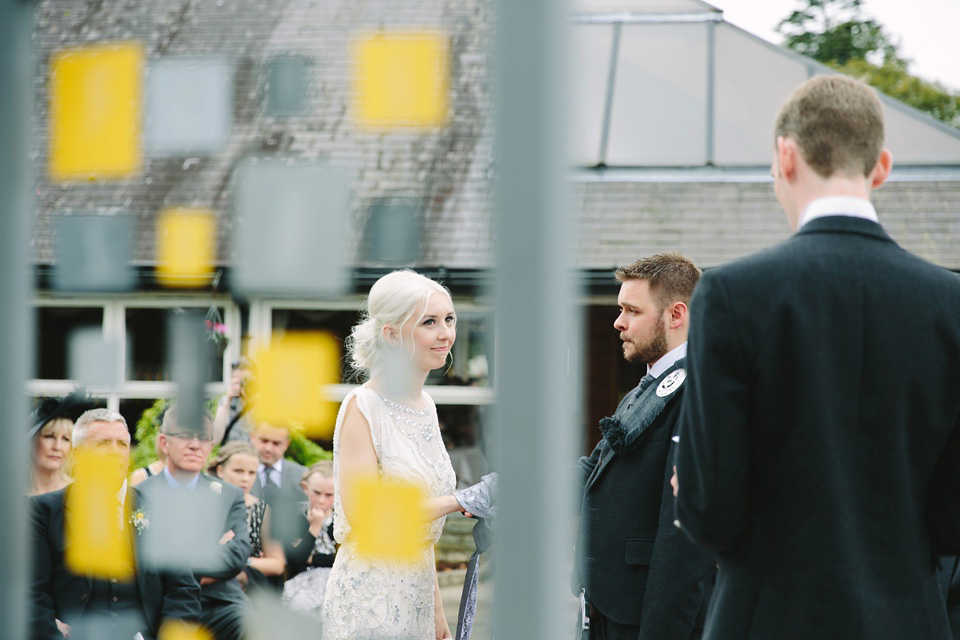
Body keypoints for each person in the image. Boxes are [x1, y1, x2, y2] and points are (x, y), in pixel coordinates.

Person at [674, 75, 960, 639]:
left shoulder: (734, 295)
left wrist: (694, 485)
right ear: (881, 167)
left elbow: (712, 514)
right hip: (909, 622)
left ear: (786, 155)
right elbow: (953, 523)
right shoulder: (949, 305)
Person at [320, 269, 469, 640]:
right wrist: (459, 501)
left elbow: (421, 537)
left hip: (416, 593)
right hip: (371, 598)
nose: (445, 333)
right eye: (429, 322)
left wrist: (439, 621)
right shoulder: (363, 407)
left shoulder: (427, 405)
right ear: (390, 334)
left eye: (449, 319)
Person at [573, 254, 714, 640]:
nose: (618, 322)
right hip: (609, 603)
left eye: (631, 310)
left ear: (676, 315)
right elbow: (596, 469)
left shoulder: (701, 392)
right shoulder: (649, 383)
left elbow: (683, 539)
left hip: (647, 614)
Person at [29, 408, 201, 639]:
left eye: (121, 444)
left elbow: (183, 591)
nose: (115, 452)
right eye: (103, 444)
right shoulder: (42, 512)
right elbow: (31, 596)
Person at [137, 405, 252, 640]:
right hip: (158, 604)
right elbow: (141, 560)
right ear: (164, 442)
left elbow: (237, 555)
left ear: (211, 445)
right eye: (185, 436)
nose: (194, 444)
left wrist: (172, 560)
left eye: (203, 438)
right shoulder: (140, 496)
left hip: (219, 603)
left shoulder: (228, 495)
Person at [209, 441, 286, 592]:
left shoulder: (261, 509)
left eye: (251, 473)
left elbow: (277, 564)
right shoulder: (205, 503)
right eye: (238, 471)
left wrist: (243, 562)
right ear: (220, 470)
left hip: (247, 588)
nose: (245, 478)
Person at [282, 461, 337, 619]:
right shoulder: (296, 519)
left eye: (329, 495)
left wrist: (313, 558)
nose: (321, 500)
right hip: (303, 582)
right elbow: (296, 560)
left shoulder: (341, 521)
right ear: (305, 488)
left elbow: (343, 558)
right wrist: (314, 527)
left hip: (334, 580)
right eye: (317, 493)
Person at [249, 422, 307, 508]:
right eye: (264, 441)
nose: (268, 448)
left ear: (286, 444)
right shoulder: (235, 472)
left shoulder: (303, 475)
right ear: (253, 437)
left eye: (276, 443)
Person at [28, 416, 72, 497]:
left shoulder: (79, 494)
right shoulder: (10, 494)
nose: (57, 447)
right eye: (49, 436)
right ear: (31, 441)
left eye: (65, 439)